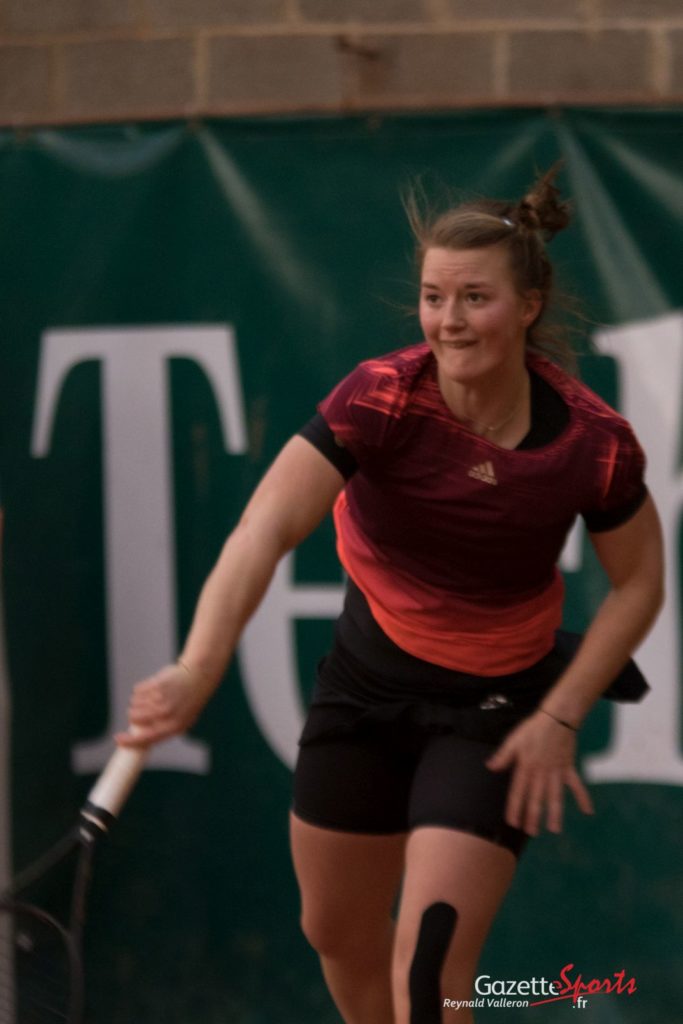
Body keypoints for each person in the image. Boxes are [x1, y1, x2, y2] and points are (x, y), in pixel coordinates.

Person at [117, 167, 664, 1023]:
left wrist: (559, 716)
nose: (449, 321)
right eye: (433, 297)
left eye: (475, 298)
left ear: (528, 306)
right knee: (334, 931)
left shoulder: (592, 446)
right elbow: (262, 529)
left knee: (432, 966)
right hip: (364, 690)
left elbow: (638, 584)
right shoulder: (380, 397)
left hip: (493, 711)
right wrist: (195, 668)